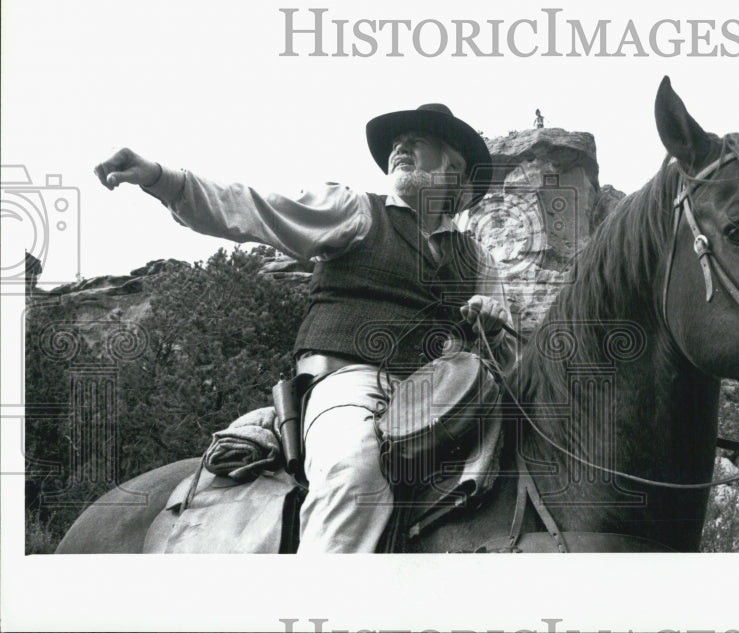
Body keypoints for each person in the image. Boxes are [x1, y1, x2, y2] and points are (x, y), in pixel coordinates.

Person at [94, 102, 515, 552]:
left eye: (417, 140)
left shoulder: (478, 259)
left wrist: (492, 328)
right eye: (396, 143)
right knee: (354, 471)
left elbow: (509, 356)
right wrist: (162, 178)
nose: (399, 147)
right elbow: (254, 208)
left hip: (444, 398)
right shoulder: (355, 210)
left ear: (454, 168)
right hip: (353, 384)